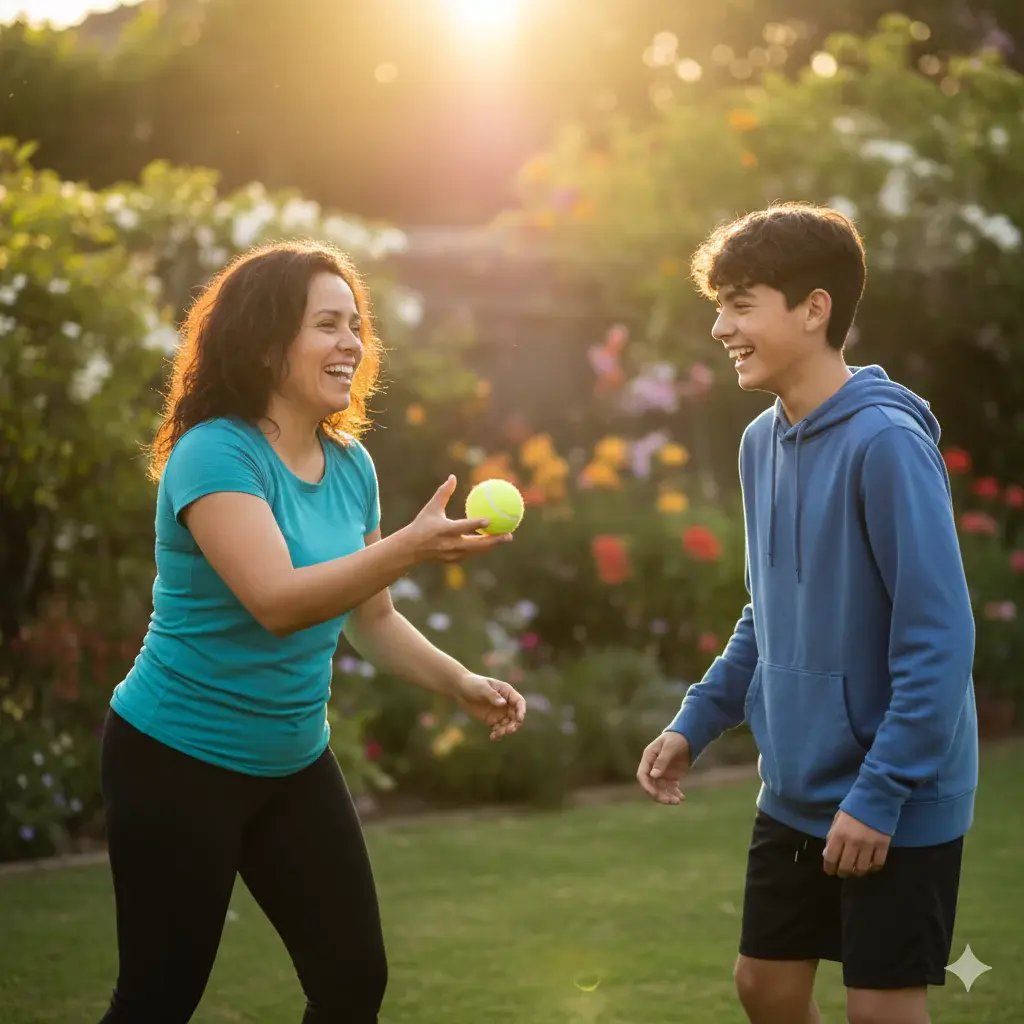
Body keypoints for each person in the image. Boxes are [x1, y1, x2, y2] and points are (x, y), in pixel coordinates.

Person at [98, 240, 527, 1024]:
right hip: (177, 760)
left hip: (292, 763)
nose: (351, 344)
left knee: (352, 982)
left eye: (355, 325)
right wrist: (410, 545)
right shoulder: (215, 453)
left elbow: (373, 621)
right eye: (327, 324)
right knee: (159, 998)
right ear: (267, 342)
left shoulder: (350, 464)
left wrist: (459, 681)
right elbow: (277, 601)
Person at [636, 203, 977, 1024]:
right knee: (767, 987)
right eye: (720, 306)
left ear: (814, 308)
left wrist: (881, 791)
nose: (720, 327)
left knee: (880, 1010)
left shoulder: (886, 444)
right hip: (796, 785)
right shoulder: (761, 441)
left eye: (741, 304)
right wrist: (696, 721)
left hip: (894, 789)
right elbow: (769, 613)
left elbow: (939, 639)